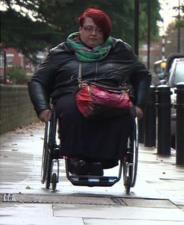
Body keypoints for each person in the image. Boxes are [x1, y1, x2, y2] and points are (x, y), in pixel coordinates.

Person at [28, 8, 151, 176]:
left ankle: (106, 158)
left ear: (106, 32)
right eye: (88, 28)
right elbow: (38, 81)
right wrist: (42, 108)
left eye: (99, 30)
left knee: (122, 112)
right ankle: (77, 160)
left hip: (112, 94)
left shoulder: (121, 50)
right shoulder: (60, 52)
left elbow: (142, 76)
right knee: (73, 110)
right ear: (80, 29)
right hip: (71, 93)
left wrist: (140, 105)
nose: (93, 34)